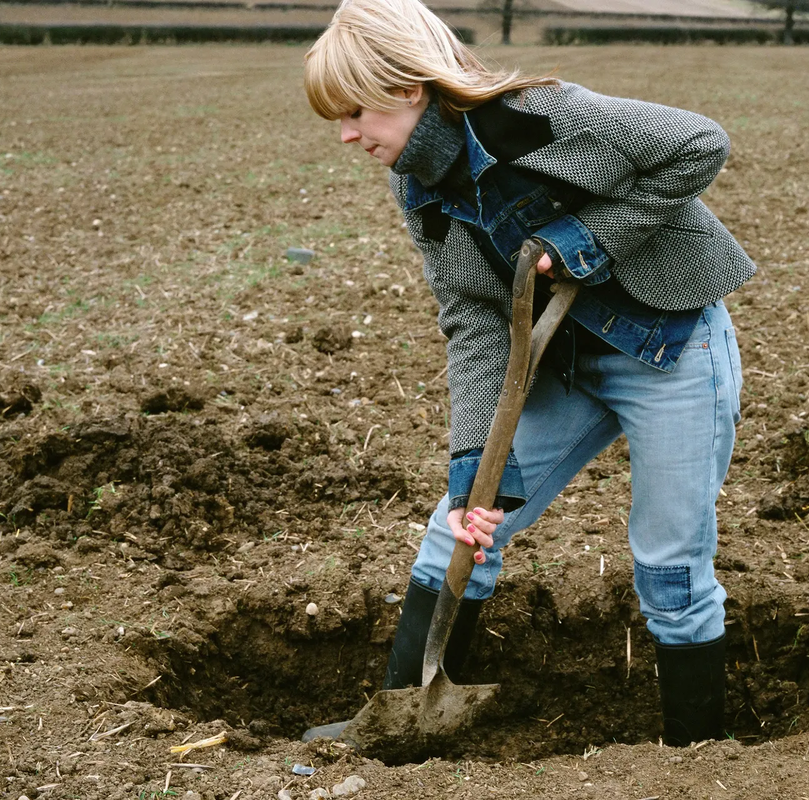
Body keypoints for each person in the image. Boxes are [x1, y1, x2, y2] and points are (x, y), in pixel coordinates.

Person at [301, 0, 755, 747]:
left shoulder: (545, 116)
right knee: (458, 536)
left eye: (355, 112)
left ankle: (696, 753)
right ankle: (399, 724)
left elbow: (700, 143)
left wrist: (582, 239)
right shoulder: (418, 186)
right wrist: (471, 476)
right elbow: (474, 324)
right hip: (561, 364)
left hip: (670, 348)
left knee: (670, 568)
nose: (348, 135)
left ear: (409, 89)